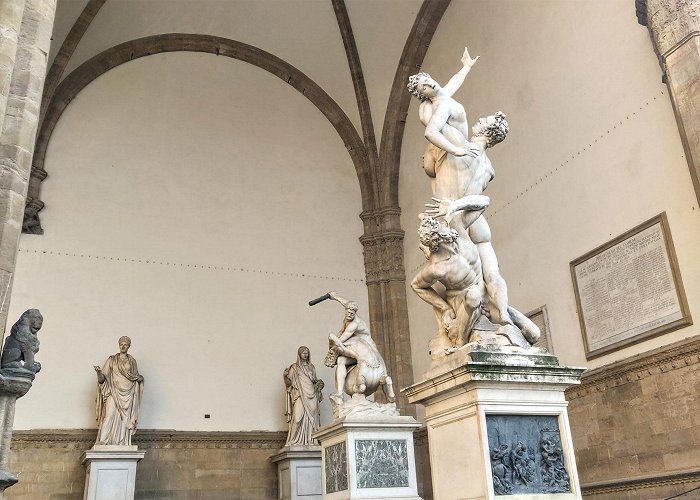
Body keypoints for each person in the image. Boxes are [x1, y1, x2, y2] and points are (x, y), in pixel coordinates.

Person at [408, 48, 540, 344]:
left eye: (427, 82)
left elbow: (434, 127)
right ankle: (506, 320)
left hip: (455, 216)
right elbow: (438, 114)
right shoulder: (485, 163)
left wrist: (450, 152)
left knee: (467, 279)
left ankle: (468, 328)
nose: (431, 85)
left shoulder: (452, 132)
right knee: (487, 271)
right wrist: (465, 69)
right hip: (472, 218)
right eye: (425, 87)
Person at [325, 291, 394, 405]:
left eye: (352, 313)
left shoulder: (354, 324)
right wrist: (335, 296)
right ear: (346, 310)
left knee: (342, 359)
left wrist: (332, 343)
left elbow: (342, 339)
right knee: (341, 360)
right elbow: (345, 302)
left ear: (355, 313)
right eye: (348, 312)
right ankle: (340, 394)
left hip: (365, 348)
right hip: (360, 347)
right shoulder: (349, 308)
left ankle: (340, 393)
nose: (349, 315)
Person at [93, 336, 144, 446]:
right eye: (121, 344)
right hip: (113, 391)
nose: (123, 346)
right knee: (109, 415)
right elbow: (102, 380)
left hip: (128, 394)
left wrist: (139, 379)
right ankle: (103, 441)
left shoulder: (132, 361)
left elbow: (134, 377)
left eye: (125, 344)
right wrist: (98, 372)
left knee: (122, 420)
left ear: (129, 346)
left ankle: (121, 442)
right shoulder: (112, 360)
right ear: (119, 345)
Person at [283, 346, 324, 446]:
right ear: (299, 354)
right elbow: (289, 384)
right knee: (297, 418)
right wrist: (285, 376)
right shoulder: (294, 368)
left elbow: (314, 381)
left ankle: (311, 440)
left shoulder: (311, 367)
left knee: (311, 420)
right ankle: (292, 440)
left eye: (307, 353)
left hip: (312, 396)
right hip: (300, 395)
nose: (305, 355)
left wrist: (319, 385)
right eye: (303, 353)